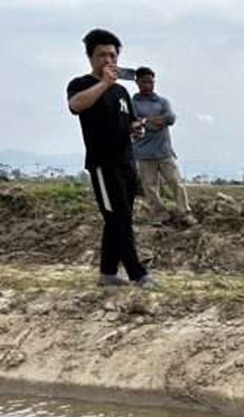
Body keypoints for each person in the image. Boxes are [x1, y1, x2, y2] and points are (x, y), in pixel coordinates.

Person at [67, 28, 156, 289]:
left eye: (113, 55)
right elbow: (76, 106)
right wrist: (103, 83)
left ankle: (107, 272)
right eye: (102, 55)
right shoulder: (81, 84)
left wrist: (135, 128)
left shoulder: (121, 92)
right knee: (117, 219)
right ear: (91, 58)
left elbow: (127, 123)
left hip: (127, 162)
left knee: (121, 218)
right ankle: (137, 273)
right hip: (103, 164)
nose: (108, 60)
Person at [131, 66, 196, 226]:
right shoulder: (133, 103)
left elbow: (170, 119)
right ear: (137, 82)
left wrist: (146, 120)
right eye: (145, 82)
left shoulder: (162, 102)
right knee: (150, 188)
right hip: (143, 153)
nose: (148, 85)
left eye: (151, 82)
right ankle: (160, 215)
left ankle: (185, 213)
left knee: (176, 183)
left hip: (164, 151)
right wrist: (155, 121)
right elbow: (133, 123)